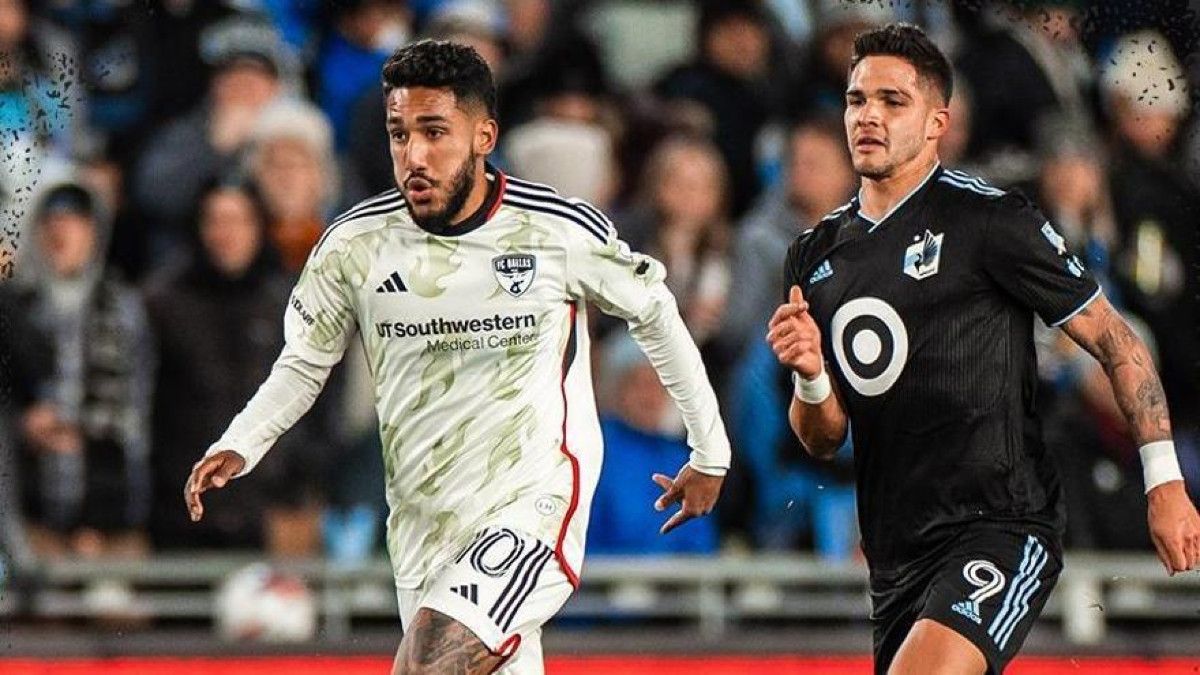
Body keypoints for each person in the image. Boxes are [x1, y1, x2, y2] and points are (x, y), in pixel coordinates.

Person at [185, 40, 730, 674]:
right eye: (399, 134)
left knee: (428, 665)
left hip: (532, 508)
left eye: (435, 132)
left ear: (483, 135)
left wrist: (709, 448)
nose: (413, 155)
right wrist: (243, 442)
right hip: (422, 527)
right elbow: (305, 363)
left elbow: (655, 312)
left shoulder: (553, 230)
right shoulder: (354, 248)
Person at [766, 24, 1200, 675]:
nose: (869, 117)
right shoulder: (814, 255)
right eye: (858, 100)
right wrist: (810, 377)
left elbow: (1117, 341)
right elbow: (823, 438)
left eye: (893, 101)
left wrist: (1164, 481)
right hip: (895, 554)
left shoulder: (991, 221)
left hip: (1001, 525)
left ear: (938, 121)